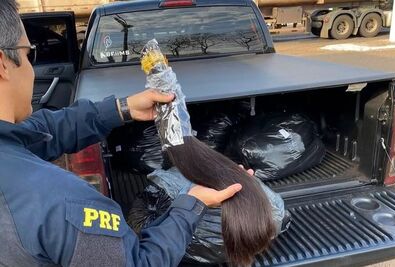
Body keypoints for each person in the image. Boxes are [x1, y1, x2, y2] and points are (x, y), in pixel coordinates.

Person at [0, 1, 243, 266]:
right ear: (2, 63)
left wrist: (122, 109)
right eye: (29, 55)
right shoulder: (63, 204)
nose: (31, 69)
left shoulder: (11, 154)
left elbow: (42, 131)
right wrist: (191, 204)